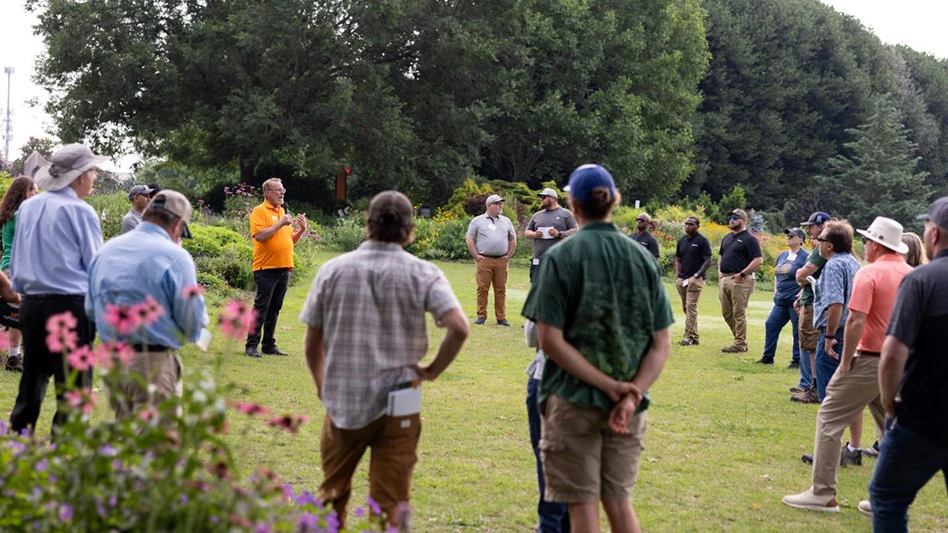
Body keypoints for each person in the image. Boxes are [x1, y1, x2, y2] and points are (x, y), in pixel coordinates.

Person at [300, 191, 469, 529]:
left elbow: (312, 345)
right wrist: (432, 370)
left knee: (332, 492)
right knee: (392, 503)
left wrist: (323, 387)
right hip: (401, 399)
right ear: (410, 228)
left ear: (368, 223)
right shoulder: (422, 272)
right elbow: (459, 328)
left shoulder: (333, 270)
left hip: (344, 397)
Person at [522, 164, 673, 533]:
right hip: (629, 406)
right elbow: (661, 343)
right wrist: (630, 394)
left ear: (572, 204)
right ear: (615, 201)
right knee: (620, 505)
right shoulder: (641, 258)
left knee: (583, 510)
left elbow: (548, 340)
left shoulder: (561, 256)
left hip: (572, 400)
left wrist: (608, 387)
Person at [782, 217, 910, 513]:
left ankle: (822, 493)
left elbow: (855, 319)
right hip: (899, 362)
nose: (863, 245)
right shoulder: (911, 274)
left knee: (829, 417)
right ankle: (887, 498)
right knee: (890, 426)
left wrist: (846, 359)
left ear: (877, 244)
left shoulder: (870, 273)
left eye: (867, 240)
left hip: (869, 358)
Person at [8, 143, 106, 434]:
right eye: (93, 171)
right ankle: (64, 459)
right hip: (71, 305)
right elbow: (95, 266)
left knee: (32, 381)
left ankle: (17, 449)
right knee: (74, 388)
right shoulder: (81, 212)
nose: (95, 177)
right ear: (80, 177)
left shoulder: (27, 208)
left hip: (33, 304)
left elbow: (17, 256)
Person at [86, 190, 209, 417]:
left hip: (114, 361)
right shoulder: (175, 257)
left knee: (125, 437)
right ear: (178, 225)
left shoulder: (107, 250)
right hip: (154, 362)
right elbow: (191, 320)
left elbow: (92, 309)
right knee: (157, 445)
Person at [869, 197, 948, 531]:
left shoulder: (923, 280)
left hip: (924, 416)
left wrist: (888, 401)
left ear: (934, 235)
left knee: (887, 495)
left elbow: (892, 354)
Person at [245, 178, 307, 358]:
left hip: (284, 267)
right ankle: (251, 345)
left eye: (283, 190)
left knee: (275, 308)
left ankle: (268, 345)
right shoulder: (259, 211)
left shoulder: (282, 212)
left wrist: (301, 230)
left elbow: (289, 242)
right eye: (278, 190)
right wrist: (281, 223)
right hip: (266, 267)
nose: (282, 193)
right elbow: (260, 236)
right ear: (267, 193)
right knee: (261, 307)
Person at [524, 319, 570, 533]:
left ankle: (551, 525)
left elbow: (532, 336)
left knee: (548, 458)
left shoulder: (550, 284)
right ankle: (567, 523)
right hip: (593, 384)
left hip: (549, 379)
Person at [791, 211, 832, 404]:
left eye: (812, 225)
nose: (809, 229)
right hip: (808, 299)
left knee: (812, 346)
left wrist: (801, 277)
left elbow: (803, 274)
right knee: (808, 345)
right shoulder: (818, 248)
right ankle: (810, 385)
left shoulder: (823, 249)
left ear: (823, 225)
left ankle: (815, 388)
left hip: (815, 302)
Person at [0, 176, 37, 372]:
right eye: (33, 191)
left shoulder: (10, 213)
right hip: (16, 269)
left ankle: (17, 354)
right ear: (24, 192)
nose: (36, 195)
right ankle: (14, 358)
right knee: (18, 312)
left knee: (16, 312)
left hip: (9, 266)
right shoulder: (20, 216)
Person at [757, 228, 809, 365]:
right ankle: (768, 358)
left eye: (792, 235)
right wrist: (775, 291)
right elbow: (776, 275)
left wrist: (802, 293)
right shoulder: (782, 255)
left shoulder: (805, 257)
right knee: (771, 324)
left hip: (795, 301)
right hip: (780, 300)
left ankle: (797, 361)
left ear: (800, 239)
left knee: (797, 330)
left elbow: (811, 276)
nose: (788, 237)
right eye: (787, 235)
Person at [466, 194, 517, 326]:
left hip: (502, 261)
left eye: (501, 204)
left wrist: (508, 256)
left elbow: (513, 239)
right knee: (482, 288)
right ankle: (481, 316)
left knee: (501, 289)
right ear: (489, 206)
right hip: (484, 260)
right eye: (497, 203)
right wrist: (476, 256)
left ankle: (501, 317)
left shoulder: (506, 221)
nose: (501, 206)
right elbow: (470, 239)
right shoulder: (477, 221)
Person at [717, 208, 763, 353]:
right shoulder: (727, 238)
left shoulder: (750, 239)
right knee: (727, 313)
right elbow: (721, 255)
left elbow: (758, 260)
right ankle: (740, 340)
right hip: (725, 278)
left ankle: (739, 343)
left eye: (736, 217)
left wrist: (742, 274)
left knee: (738, 312)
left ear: (744, 221)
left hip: (740, 280)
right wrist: (719, 271)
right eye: (730, 217)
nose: (732, 220)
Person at [524, 188, 578, 283]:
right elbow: (527, 233)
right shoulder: (537, 215)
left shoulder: (566, 214)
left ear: (553, 198)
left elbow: (576, 231)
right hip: (539, 259)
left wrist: (559, 234)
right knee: (537, 291)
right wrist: (534, 234)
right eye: (541, 198)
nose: (542, 200)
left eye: (544, 197)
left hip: (559, 260)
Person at [674, 216, 712, 346]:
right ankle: (694, 336)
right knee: (686, 307)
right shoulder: (681, 241)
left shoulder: (702, 241)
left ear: (697, 226)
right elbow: (678, 259)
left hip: (695, 279)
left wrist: (697, 275)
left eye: (690, 224)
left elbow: (708, 260)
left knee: (691, 307)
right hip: (682, 279)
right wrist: (677, 275)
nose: (687, 226)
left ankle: (688, 336)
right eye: (686, 224)